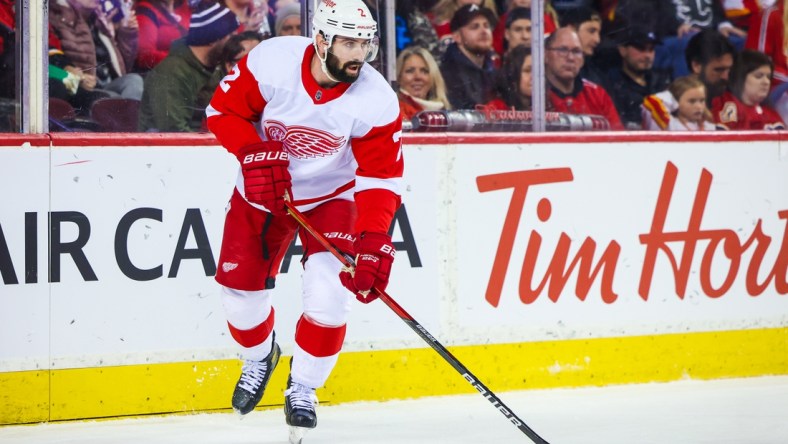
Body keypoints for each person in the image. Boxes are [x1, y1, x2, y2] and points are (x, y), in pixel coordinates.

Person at [205, 0, 403, 437]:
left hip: (334, 196)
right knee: (239, 296)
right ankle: (260, 357)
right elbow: (221, 113)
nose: (358, 55)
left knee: (330, 298)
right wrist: (252, 153)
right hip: (262, 190)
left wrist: (373, 239)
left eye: (365, 44)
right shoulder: (272, 62)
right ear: (321, 40)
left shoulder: (376, 100)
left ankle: (305, 386)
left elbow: (381, 177)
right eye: (348, 42)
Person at [139, 1, 240, 131]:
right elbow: (173, 131)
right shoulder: (172, 72)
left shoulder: (216, 67)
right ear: (213, 38)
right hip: (168, 148)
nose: (235, 44)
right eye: (231, 36)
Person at [49, 0, 144, 115]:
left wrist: (127, 33)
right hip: (84, 87)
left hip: (109, 84)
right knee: (113, 100)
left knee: (134, 81)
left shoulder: (99, 20)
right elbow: (52, 56)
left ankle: (129, 128)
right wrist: (75, 74)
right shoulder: (58, 17)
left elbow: (124, 66)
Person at [544, 27, 623, 129]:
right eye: (562, 50)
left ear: (582, 60)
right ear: (545, 55)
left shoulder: (598, 94)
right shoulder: (533, 95)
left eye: (576, 51)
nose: (570, 58)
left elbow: (618, 138)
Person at [605, 28, 671, 129]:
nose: (647, 55)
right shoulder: (611, 84)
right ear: (623, 50)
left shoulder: (661, 81)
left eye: (651, 49)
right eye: (641, 49)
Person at [440, 4, 499, 109]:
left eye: (486, 26)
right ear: (457, 37)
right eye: (474, 27)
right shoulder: (447, 74)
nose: (484, 31)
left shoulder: (495, 72)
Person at [711, 49, 786, 130]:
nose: (766, 82)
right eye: (758, 76)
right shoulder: (726, 105)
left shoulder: (770, 113)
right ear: (740, 78)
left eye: (768, 77)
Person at [133, 0, 191, 72]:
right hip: (167, 72)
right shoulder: (145, 11)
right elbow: (145, 55)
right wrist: (181, 61)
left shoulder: (187, 5)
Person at [396, 46, 451, 120]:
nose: (418, 77)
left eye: (424, 71)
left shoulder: (446, 114)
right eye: (410, 71)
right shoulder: (395, 112)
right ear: (399, 78)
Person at [642, 75, 716, 131]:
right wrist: (672, 98)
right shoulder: (669, 125)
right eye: (692, 101)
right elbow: (651, 101)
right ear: (676, 102)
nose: (699, 106)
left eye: (702, 100)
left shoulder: (711, 128)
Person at [485, 44, 534, 110]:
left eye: (538, 71)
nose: (534, 77)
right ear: (513, 74)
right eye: (527, 71)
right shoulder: (497, 108)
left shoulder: (550, 103)